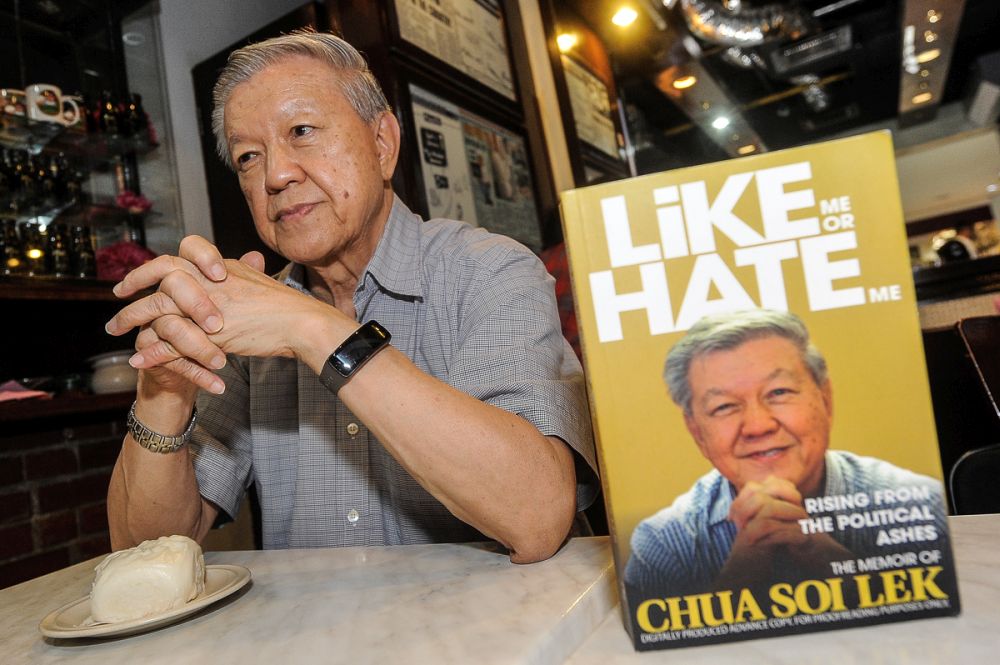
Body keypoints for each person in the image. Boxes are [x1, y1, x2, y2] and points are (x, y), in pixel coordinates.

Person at [103, 30, 597, 564]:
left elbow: (537, 516)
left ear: (383, 143)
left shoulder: (491, 269)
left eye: (302, 131)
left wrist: (311, 328)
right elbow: (142, 553)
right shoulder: (245, 323)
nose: (276, 175)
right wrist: (163, 388)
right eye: (249, 157)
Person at [623, 309, 947, 594]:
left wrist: (835, 565)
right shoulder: (663, 544)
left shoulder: (914, 500)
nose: (757, 425)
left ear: (826, 398)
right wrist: (737, 581)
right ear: (697, 432)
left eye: (779, 392)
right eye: (723, 406)